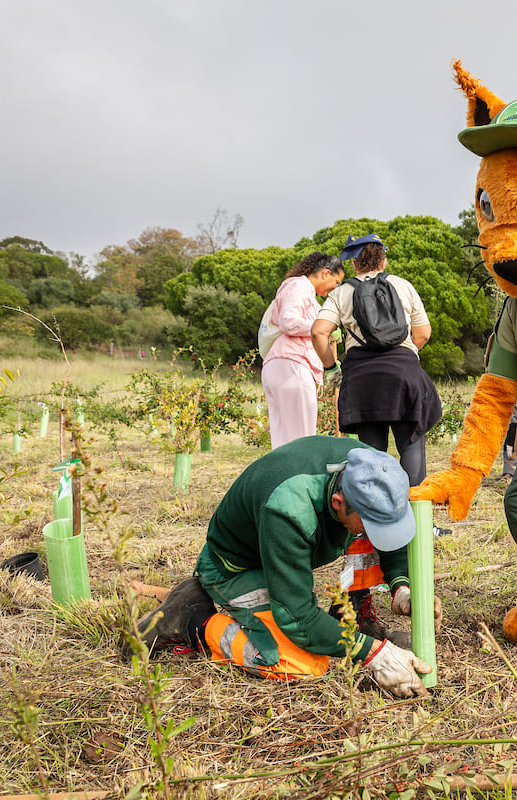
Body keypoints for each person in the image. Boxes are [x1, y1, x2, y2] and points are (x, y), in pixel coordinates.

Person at [129, 437, 434, 697]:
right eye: (368, 523)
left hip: (282, 544)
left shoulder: (372, 469)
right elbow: (297, 618)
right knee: (304, 664)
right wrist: (373, 654)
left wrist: (401, 586)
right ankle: (194, 618)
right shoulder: (287, 508)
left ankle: (354, 617)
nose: (375, 532)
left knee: (365, 532)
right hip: (237, 567)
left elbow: (390, 533)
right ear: (339, 501)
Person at [311, 235, 442, 487]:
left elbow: (318, 332)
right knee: (410, 443)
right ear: (383, 262)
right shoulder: (403, 285)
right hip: (404, 375)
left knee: (371, 455)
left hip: (362, 380)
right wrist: (407, 354)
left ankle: (373, 520)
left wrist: (330, 367)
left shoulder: (342, 292)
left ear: (354, 264)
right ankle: (416, 519)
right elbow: (423, 333)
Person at [261, 253, 344, 448]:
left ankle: (285, 478)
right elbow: (289, 322)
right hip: (292, 366)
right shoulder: (299, 286)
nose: (335, 288)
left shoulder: (304, 292)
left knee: (285, 439)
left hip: (287, 366)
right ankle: (299, 477)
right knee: (302, 439)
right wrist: (325, 328)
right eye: (336, 281)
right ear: (325, 273)